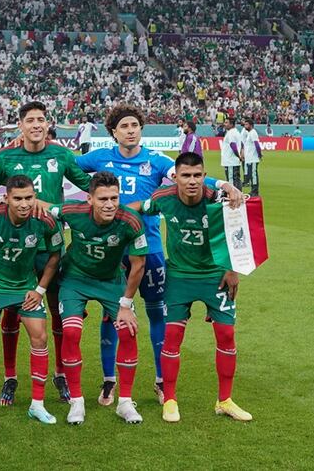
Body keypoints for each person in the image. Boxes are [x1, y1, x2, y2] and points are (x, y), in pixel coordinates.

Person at [76, 105, 243, 408]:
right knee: (112, 315)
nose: (130, 130)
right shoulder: (99, 158)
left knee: (158, 314)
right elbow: (69, 167)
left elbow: (186, 177)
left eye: (135, 125)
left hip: (150, 248)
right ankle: (109, 380)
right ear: (113, 132)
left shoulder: (155, 160)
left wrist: (221, 184)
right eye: (124, 126)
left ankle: (161, 381)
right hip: (114, 250)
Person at [0, 101, 93, 405]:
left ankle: (59, 373)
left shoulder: (61, 155)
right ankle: (10, 377)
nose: (36, 125)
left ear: (47, 124)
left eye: (41, 120)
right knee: (9, 312)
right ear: (20, 125)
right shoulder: (5, 156)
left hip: (48, 246)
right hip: (13, 246)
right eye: (30, 120)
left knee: (55, 310)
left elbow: (88, 187)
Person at [132, 152, 252, 424]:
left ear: (204, 175)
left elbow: (240, 232)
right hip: (178, 277)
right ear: (176, 178)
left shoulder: (218, 198)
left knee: (227, 336)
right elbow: (139, 206)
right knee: (172, 337)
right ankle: (171, 400)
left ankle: (225, 400)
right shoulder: (164, 198)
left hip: (215, 277)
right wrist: (113, 212)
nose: (192, 181)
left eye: (198, 175)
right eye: (186, 175)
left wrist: (233, 270)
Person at [0, 176, 61, 428]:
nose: (24, 204)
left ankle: (37, 405)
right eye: (17, 198)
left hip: (25, 288)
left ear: (35, 196)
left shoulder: (45, 220)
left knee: (40, 336)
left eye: (29, 197)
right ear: (6, 198)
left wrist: (39, 289)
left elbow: (55, 254)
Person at [51, 172, 149, 425]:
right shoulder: (73, 211)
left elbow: (138, 265)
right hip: (74, 280)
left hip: (111, 282)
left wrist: (126, 305)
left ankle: (125, 402)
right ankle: (77, 401)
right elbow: (42, 209)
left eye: (114, 198)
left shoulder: (131, 221)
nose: (109, 204)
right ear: (89, 199)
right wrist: (5, 204)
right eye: (103, 198)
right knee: (71, 333)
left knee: (128, 330)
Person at [220, 118, 243, 190]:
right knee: (236, 180)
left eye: (226, 123)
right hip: (233, 161)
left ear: (232, 124)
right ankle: (239, 196)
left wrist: (238, 156)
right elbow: (241, 144)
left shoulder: (231, 133)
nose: (224, 124)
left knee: (231, 181)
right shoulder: (236, 132)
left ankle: (235, 197)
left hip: (230, 161)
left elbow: (233, 145)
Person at [240, 120, 262, 196]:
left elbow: (257, 144)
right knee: (251, 175)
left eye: (246, 124)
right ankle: (253, 189)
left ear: (251, 125)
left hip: (253, 158)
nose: (245, 126)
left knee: (253, 175)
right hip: (249, 158)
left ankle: (255, 191)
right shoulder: (250, 133)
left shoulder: (253, 133)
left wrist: (259, 154)